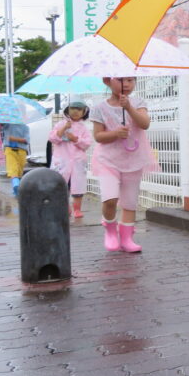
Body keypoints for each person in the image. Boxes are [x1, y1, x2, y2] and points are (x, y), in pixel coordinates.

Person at [91, 76, 158, 253]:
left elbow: (144, 124)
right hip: (108, 160)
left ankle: (127, 237)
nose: (126, 84)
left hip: (133, 160)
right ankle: (111, 230)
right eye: (121, 79)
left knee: (129, 202)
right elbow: (98, 136)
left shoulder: (139, 102)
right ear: (107, 81)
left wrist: (128, 107)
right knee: (110, 198)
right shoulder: (99, 108)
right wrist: (114, 134)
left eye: (131, 80)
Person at [50, 101, 93, 218]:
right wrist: (64, 128)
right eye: (73, 108)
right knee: (62, 186)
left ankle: (77, 209)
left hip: (77, 162)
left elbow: (87, 144)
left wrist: (75, 139)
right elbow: (53, 138)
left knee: (78, 187)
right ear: (67, 110)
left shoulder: (84, 128)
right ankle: (65, 207)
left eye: (79, 110)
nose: (75, 111)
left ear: (84, 112)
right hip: (62, 160)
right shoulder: (60, 124)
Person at [1, 122, 30, 195]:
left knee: (19, 171)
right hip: (9, 149)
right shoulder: (7, 124)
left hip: (21, 150)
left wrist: (14, 139)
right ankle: (16, 186)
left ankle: (18, 187)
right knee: (12, 169)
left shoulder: (25, 127)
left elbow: (27, 140)